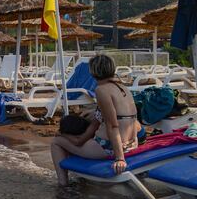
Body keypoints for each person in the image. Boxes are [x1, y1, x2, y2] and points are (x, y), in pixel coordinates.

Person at [50, 54, 140, 186]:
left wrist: (120, 159)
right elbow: (121, 116)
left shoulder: (101, 90)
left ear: (93, 72)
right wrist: (95, 112)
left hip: (109, 148)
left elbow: (113, 125)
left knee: (57, 142)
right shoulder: (123, 87)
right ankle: (81, 179)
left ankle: (63, 185)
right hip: (132, 144)